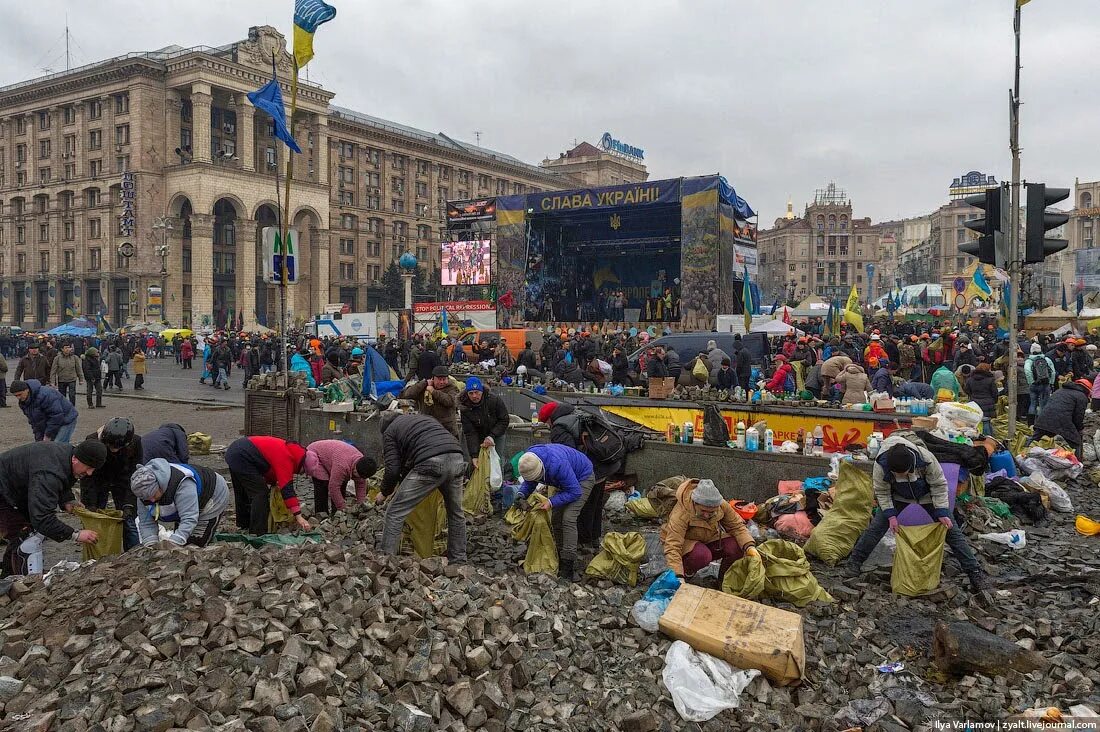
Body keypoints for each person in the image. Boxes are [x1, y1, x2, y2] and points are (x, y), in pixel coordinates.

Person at [843, 435, 991, 605]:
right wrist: (891, 515)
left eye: (903, 473)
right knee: (876, 528)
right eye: (896, 473)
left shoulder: (926, 459)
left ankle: (975, 572)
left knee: (952, 531)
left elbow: (939, 485)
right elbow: (882, 492)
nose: (899, 475)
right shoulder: (881, 465)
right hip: (897, 497)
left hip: (927, 495)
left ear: (912, 466)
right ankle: (854, 563)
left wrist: (942, 511)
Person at [0, 439, 107, 576]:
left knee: (22, 535)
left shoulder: (68, 456)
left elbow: (63, 477)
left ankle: (8, 578)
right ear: (75, 459)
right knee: (26, 538)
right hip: (4, 491)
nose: (90, 473)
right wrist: (75, 534)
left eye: (93, 469)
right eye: (88, 467)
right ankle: (24, 585)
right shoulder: (48, 473)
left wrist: (67, 500)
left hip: (16, 489)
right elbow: (42, 518)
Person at [376, 412, 467, 562]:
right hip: (457, 458)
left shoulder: (390, 432)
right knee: (456, 513)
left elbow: (392, 469)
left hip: (431, 462)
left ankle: (386, 560)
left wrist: (384, 492)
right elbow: (409, 462)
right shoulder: (423, 419)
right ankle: (458, 559)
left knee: (394, 512)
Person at [516, 444, 595, 581]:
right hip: (564, 480)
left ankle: (568, 566)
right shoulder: (529, 459)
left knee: (569, 518)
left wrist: (551, 502)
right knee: (556, 519)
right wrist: (521, 494)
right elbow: (531, 481)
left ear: (541, 469)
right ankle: (559, 553)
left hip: (582, 477)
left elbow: (575, 492)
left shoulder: (557, 465)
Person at [659, 478, 758, 580]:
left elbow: (737, 526)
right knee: (702, 555)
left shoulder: (721, 505)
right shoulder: (680, 513)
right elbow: (673, 546)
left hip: (708, 537)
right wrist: (677, 576)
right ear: (695, 503)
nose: (707, 515)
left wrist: (750, 546)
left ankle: (725, 581)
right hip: (685, 542)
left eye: (711, 512)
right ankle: (687, 572)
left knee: (736, 545)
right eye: (703, 511)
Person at [130, 458, 230, 548]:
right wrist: (150, 544)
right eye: (147, 498)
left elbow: (189, 518)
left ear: (160, 485)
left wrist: (175, 541)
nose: (151, 500)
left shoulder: (182, 484)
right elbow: (146, 522)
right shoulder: (142, 492)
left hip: (212, 496)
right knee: (179, 543)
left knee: (194, 544)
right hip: (183, 503)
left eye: (154, 495)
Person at [225, 436, 311, 535]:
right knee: (260, 493)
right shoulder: (286, 457)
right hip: (242, 455)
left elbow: (269, 468)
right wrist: (298, 516)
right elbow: (287, 488)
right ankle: (257, 532)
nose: (301, 474)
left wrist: (274, 483)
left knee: (243, 490)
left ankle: (244, 524)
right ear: (302, 464)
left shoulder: (289, 450)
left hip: (236, 451)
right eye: (304, 471)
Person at [81, 417, 144, 550]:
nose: (113, 450)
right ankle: (99, 553)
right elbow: (88, 477)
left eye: (117, 448)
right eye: (110, 447)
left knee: (129, 520)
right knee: (96, 519)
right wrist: (90, 504)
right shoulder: (92, 441)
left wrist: (129, 504)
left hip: (124, 480)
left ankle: (133, 554)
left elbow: (135, 475)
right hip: (99, 479)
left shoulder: (136, 443)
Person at [303, 439, 375, 515]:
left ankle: (336, 514)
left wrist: (361, 505)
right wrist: (343, 508)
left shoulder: (363, 464)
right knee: (323, 484)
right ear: (355, 469)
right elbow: (333, 487)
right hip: (315, 454)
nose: (359, 478)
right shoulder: (342, 466)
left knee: (342, 483)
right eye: (357, 475)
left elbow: (361, 485)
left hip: (333, 456)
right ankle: (321, 515)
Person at [459, 377, 510, 472]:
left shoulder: (494, 400)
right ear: (467, 393)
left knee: (497, 460)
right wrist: (474, 455)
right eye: (471, 393)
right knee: (477, 461)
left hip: (496, 432)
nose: (474, 396)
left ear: (482, 391)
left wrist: (492, 436)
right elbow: (470, 432)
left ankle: (498, 485)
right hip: (477, 434)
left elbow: (504, 420)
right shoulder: (464, 407)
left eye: (477, 392)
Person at [1032, 379, 1091, 460]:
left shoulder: (1060, 390)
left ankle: (1022, 454)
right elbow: (1078, 416)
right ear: (1087, 390)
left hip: (1043, 418)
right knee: (1076, 443)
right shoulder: (1081, 396)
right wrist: (1079, 429)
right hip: (1062, 421)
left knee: (1034, 439)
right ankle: (1078, 463)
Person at [401, 366, 462, 441]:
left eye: (444, 379)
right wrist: (424, 383)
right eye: (439, 379)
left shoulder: (452, 388)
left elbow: (450, 401)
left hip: (447, 429)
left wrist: (433, 391)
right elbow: (408, 394)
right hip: (427, 428)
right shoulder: (424, 387)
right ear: (433, 378)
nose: (442, 382)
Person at [11, 379, 78, 444]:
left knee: (58, 446)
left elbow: (56, 416)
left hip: (66, 419)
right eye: (16, 396)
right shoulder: (24, 404)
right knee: (43, 446)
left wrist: (48, 435)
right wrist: (39, 440)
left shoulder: (45, 395)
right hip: (52, 421)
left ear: (27, 390)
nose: (18, 398)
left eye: (20, 394)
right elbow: (35, 423)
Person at [1024, 343, 1056, 424]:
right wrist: (1051, 382)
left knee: (1033, 403)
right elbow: (1053, 372)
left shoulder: (1029, 361)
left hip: (1034, 385)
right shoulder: (1047, 359)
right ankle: (1041, 423)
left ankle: (1030, 424)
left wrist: (1031, 382)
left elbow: (1027, 371)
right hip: (1045, 384)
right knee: (1043, 405)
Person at [965, 362, 999, 435]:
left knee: (976, 421)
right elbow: (995, 393)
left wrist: (972, 396)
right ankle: (988, 438)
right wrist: (994, 401)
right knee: (986, 421)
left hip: (974, 403)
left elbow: (967, 390)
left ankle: (977, 435)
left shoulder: (970, 379)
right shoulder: (990, 380)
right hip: (988, 403)